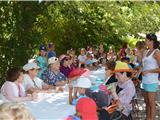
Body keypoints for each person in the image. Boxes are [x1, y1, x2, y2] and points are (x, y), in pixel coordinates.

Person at [142, 33, 160, 120]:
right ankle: (148, 118)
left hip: (152, 81)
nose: (145, 41)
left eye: (146, 40)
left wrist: (149, 71)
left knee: (152, 103)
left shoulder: (156, 52)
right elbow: (144, 65)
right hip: (144, 81)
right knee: (147, 102)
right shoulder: (146, 52)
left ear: (151, 41)